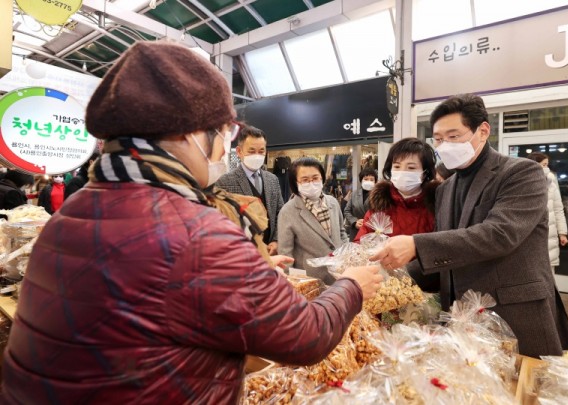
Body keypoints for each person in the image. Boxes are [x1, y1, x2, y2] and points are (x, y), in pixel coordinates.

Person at [1, 41, 384, 404]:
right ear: (188, 132)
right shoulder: (194, 231)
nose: (221, 149)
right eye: (222, 132)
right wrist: (351, 286)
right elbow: (305, 337)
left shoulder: (73, 210)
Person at [372, 93, 568, 358]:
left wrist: (415, 244)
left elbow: (499, 234)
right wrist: (386, 277)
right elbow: (447, 255)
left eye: (454, 136)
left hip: (514, 316)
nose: (444, 145)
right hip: (462, 322)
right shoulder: (445, 189)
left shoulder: (521, 173)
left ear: (483, 131)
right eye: (438, 139)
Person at [278, 157, 349, 285]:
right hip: (311, 283)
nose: (311, 183)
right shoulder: (288, 211)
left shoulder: (333, 202)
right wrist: (292, 284)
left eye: (315, 178)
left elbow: (342, 233)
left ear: (322, 178)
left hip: (340, 277)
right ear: (296, 183)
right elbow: (285, 254)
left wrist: (347, 258)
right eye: (305, 180)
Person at [215, 125, 284, 255]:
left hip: (271, 250)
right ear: (239, 152)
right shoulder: (224, 182)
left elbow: (280, 212)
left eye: (261, 151)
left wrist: (276, 240)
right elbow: (223, 222)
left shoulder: (272, 180)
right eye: (251, 151)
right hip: (242, 253)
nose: (257, 155)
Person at [355, 138, 437, 242]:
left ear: (425, 173)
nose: (402, 172)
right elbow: (360, 243)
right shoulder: (379, 205)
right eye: (397, 166)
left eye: (411, 168)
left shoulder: (436, 205)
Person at [526, 152, 568, 270]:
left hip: (551, 233)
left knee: (550, 272)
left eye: (547, 165)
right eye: (544, 165)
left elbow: (558, 209)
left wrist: (562, 233)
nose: (547, 168)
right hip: (531, 235)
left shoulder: (552, 183)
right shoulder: (524, 183)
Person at [343, 167, 377, 241]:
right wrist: (355, 222)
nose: (369, 181)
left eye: (372, 179)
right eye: (366, 179)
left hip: (373, 233)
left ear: (375, 182)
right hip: (356, 232)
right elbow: (347, 211)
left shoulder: (379, 196)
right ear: (361, 181)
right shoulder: (354, 194)